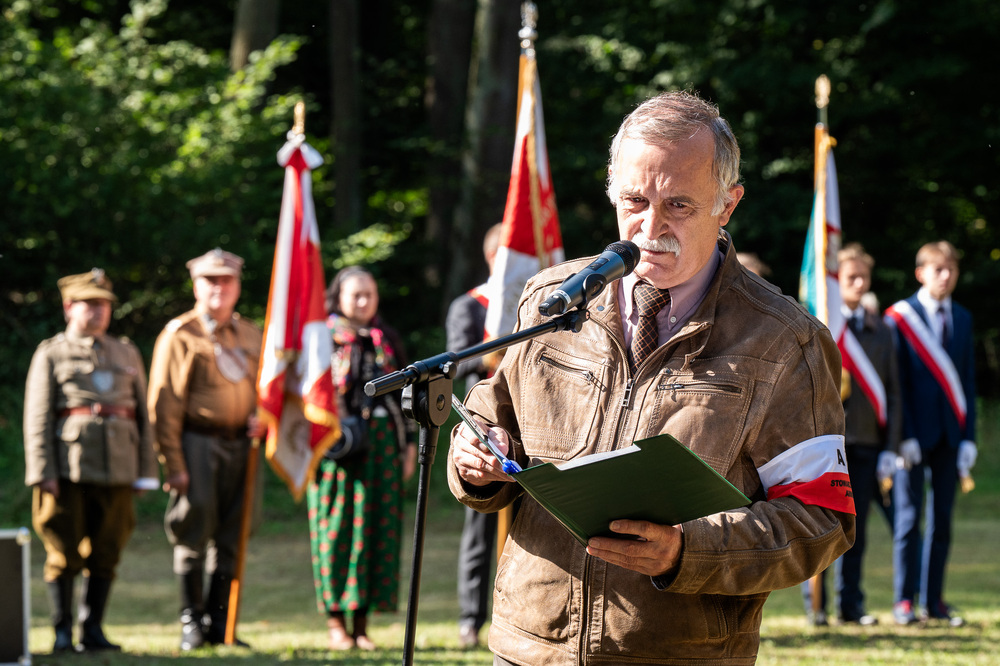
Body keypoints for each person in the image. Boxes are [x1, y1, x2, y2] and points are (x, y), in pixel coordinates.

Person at [448, 90, 854, 665]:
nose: (650, 226)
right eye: (634, 200)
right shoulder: (551, 300)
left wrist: (687, 551)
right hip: (528, 650)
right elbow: (492, 421)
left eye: (679, 206)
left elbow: (821, 520)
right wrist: (476, 459)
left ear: (728, 203)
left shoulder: (785, 340)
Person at [23, 269, 159, 653]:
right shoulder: (51, 352)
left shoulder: (125, 351)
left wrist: (146, 471)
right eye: (90, 304)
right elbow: (37, 417)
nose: (99, 312)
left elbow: (142, 417)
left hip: (118, 468)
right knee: (62, 552)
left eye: (104, 305)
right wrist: (42, 471)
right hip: (69, 469)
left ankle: (93, 629)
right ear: (69, 307)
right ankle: (62, 632)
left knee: (107, 551)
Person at [147, 248, 264, 650]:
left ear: (238, 285)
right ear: (196, 285)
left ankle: (221, 623)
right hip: (196, 442)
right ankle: (191, 622)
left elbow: (267, 390)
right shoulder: (180, 334)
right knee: (192, 531)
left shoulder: (251, 333)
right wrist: (173, 463)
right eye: (211, 280)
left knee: (232, 535)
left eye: (227, 280)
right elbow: (164, 405)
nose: (220, 287)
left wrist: (264, 418)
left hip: (241, 446)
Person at [308, 266, 417, 651]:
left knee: (377, 530)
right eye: (355, 295)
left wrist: (408, 448)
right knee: (338, 531)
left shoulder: (385, 339)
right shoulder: (322, 339)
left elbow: (406, 399)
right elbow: (312, 396)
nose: (363, 301)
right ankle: (336, 623)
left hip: (385, 447)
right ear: (337, 297)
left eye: (369, 294)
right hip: (339, 450)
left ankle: (361, 626)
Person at [800, 243, 901, 627]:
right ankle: (816, 605)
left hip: (866, 441)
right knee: (818, 524)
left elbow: (893, 391)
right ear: (836, 281)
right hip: (826, 442)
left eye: (863, 278)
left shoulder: (881, 330)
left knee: (854, 531)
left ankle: (851, 605)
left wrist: (892, 445)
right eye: (850, 277)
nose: (858, 284)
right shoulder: (820, 325)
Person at [885, 240, 977, 628]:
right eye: (938, 269)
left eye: (951, 269)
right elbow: (896, 383)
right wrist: (901, 435)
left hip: (949, 438)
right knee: (908, 522)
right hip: (912, 437)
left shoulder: (962, 317)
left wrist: (969, 436)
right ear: (921, 273)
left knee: (942, 522)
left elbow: (967, 380)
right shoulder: (900, 318)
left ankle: (934, 601)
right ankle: (904, 600)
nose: (946, 276)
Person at [448, 223, 503, 649]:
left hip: (534, 428)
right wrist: (490, 353)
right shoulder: (470, 307)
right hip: (485, 427)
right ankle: (471, 617)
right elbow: (454, 367)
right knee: (479, 526)